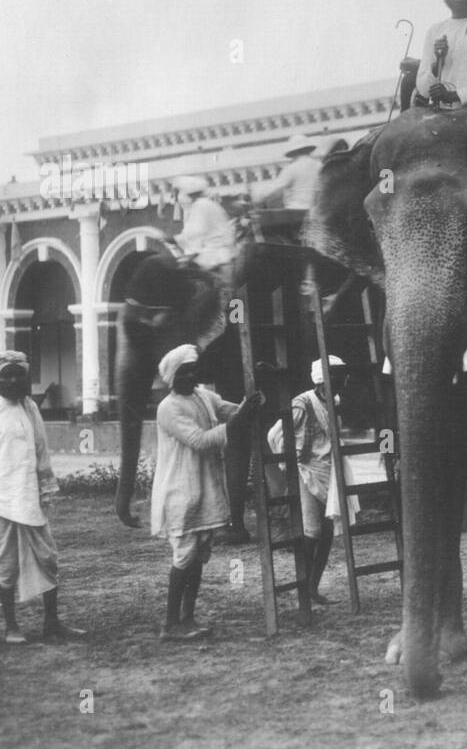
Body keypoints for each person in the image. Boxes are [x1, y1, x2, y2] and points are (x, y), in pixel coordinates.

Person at [0, 351, 84, 644]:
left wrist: (45, 489)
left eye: (18, 374)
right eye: (5, 375)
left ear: (26, 377)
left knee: (48, 558)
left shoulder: (31, 409)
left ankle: (52, 623)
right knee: (6, 564)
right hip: (0, 501)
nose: (12, 380)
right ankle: (11, 626)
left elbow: (41, 453)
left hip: (30, 497)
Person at [150, 344, 260, 639]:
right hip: (180, 490)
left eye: (193, 370)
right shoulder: (168, 408)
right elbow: (199, 441)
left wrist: (252, 400)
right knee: (184, 556)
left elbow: (230, 410)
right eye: (184, 372)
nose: (191, 376)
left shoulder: (203, 396)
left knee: (198, 556)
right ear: (172, 377)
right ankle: (170, 623)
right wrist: (237, 421)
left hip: (205, 487)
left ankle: (188, 617)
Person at [270, 356, 355, 603]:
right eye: (338, 376)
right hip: (306, 472)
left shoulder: (334, 400)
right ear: (322, 380)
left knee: (328, 530)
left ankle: (312, 588)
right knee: (312, 531)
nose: (344, 380)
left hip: (329, 471)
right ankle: (302, 589)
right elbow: (274, 435)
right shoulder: (302, 403)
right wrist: (289, 461)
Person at [171, 175, 237, 271]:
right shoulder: (206, 203)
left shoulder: (201, 205)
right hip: (218, 252)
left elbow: (195, 232)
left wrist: (175, 239)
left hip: (214, 254)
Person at [251, 135, 320, 213]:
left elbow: (274, 188)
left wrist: (257, 197)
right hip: (317, 211)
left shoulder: (292, 168)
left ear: (294, 152)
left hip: (296, 211)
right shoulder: (320, 166)